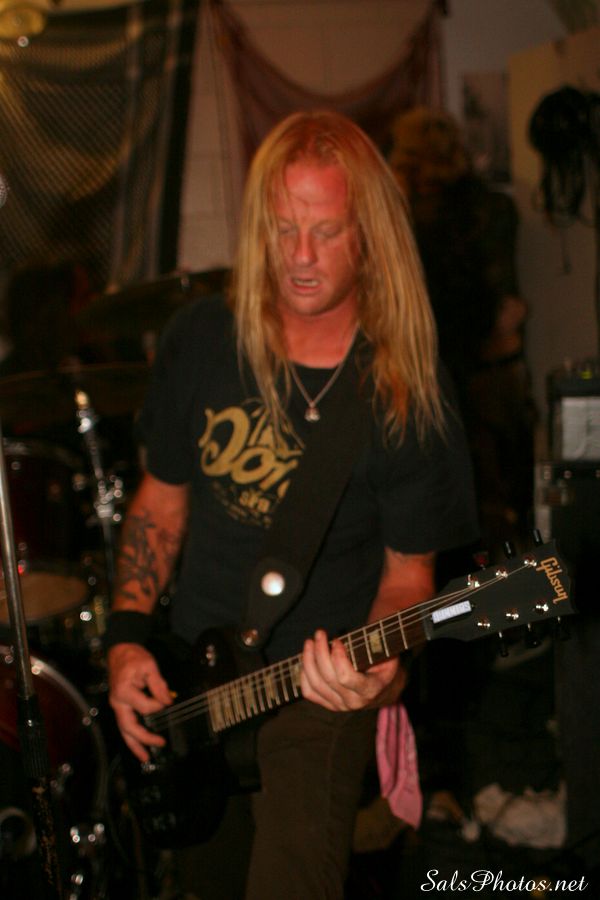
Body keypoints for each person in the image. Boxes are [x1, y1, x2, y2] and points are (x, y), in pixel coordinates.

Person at [105, 109, 479, 899]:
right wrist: (127, 641)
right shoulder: (202, 338)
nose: (300, 257)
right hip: (193, 684)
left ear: (368, 236)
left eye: (326, 231)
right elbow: (159, 506)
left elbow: (409, 578)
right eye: (282, 230)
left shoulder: (405, 385)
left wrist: (377, 668)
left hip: (316, 689)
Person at [388, 106, 536, 556]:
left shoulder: (400, 217)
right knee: (499, 499)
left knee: (450, 499)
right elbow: (507, 307)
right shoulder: (490, 208)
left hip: (433, 369)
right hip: (477, 367)